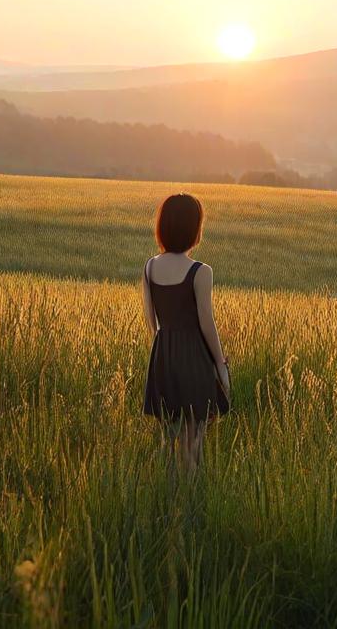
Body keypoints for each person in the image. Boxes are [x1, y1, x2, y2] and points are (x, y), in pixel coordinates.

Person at [141, 193, 230, 477]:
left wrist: (166, 344)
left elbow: (150, 319)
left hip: (163, 355)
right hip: (194, 357)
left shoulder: (150, 266)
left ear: (163, 226)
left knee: (169, 436)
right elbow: (206, 322)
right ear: (195, 229)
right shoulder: (201, 271)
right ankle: (191, 504)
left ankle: (167, 497)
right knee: (193, 441)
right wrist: (220, 364)